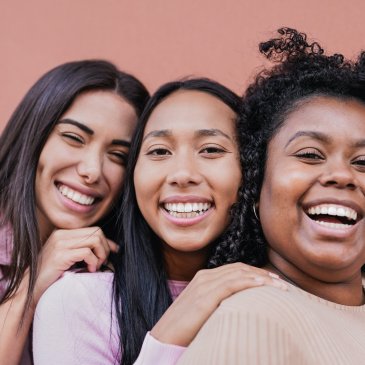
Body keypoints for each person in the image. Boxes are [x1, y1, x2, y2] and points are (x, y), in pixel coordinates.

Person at [33, 78, 286, 365]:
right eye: (159, 151)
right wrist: (170, 334)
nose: (182, 173)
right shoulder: (78, 301)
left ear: (250, 170)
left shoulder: (277, 292)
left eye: (211, 149)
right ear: (134, 175)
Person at [177, 28, 365, 365]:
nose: (341, 176)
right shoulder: (252, 318)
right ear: (255, 188)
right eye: (310, 154)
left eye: (363, 162)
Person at [0, 59, 149, 365]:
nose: (92, 171)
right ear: (34, 134)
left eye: (118, 155)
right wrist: (33, 283)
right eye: (73, 138)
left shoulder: (115, 272)